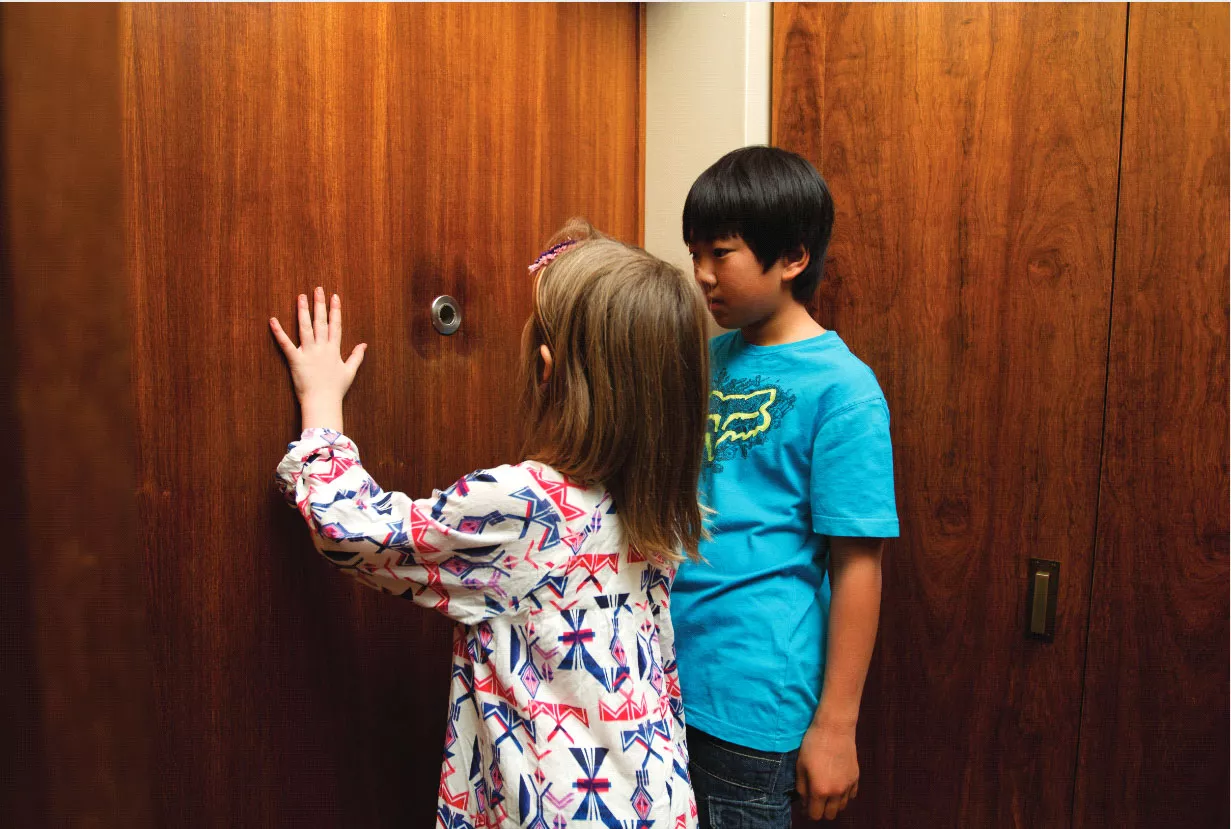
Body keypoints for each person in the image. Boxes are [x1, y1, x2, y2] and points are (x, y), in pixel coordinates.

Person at [269, 219, 708, 828]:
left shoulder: (521, 508)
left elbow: (351, 529)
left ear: (547, 370)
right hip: (657, 802)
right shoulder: (658, 502)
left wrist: (321, 407)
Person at [671, 146, 900, 826]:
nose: (702, 276)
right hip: (659, 675)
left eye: (721, 253)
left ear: (792, 257)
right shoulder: (709, 358)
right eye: (693, 255)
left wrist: (836, 725)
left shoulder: (843, 389)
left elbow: (858, 563)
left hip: (752, 702)